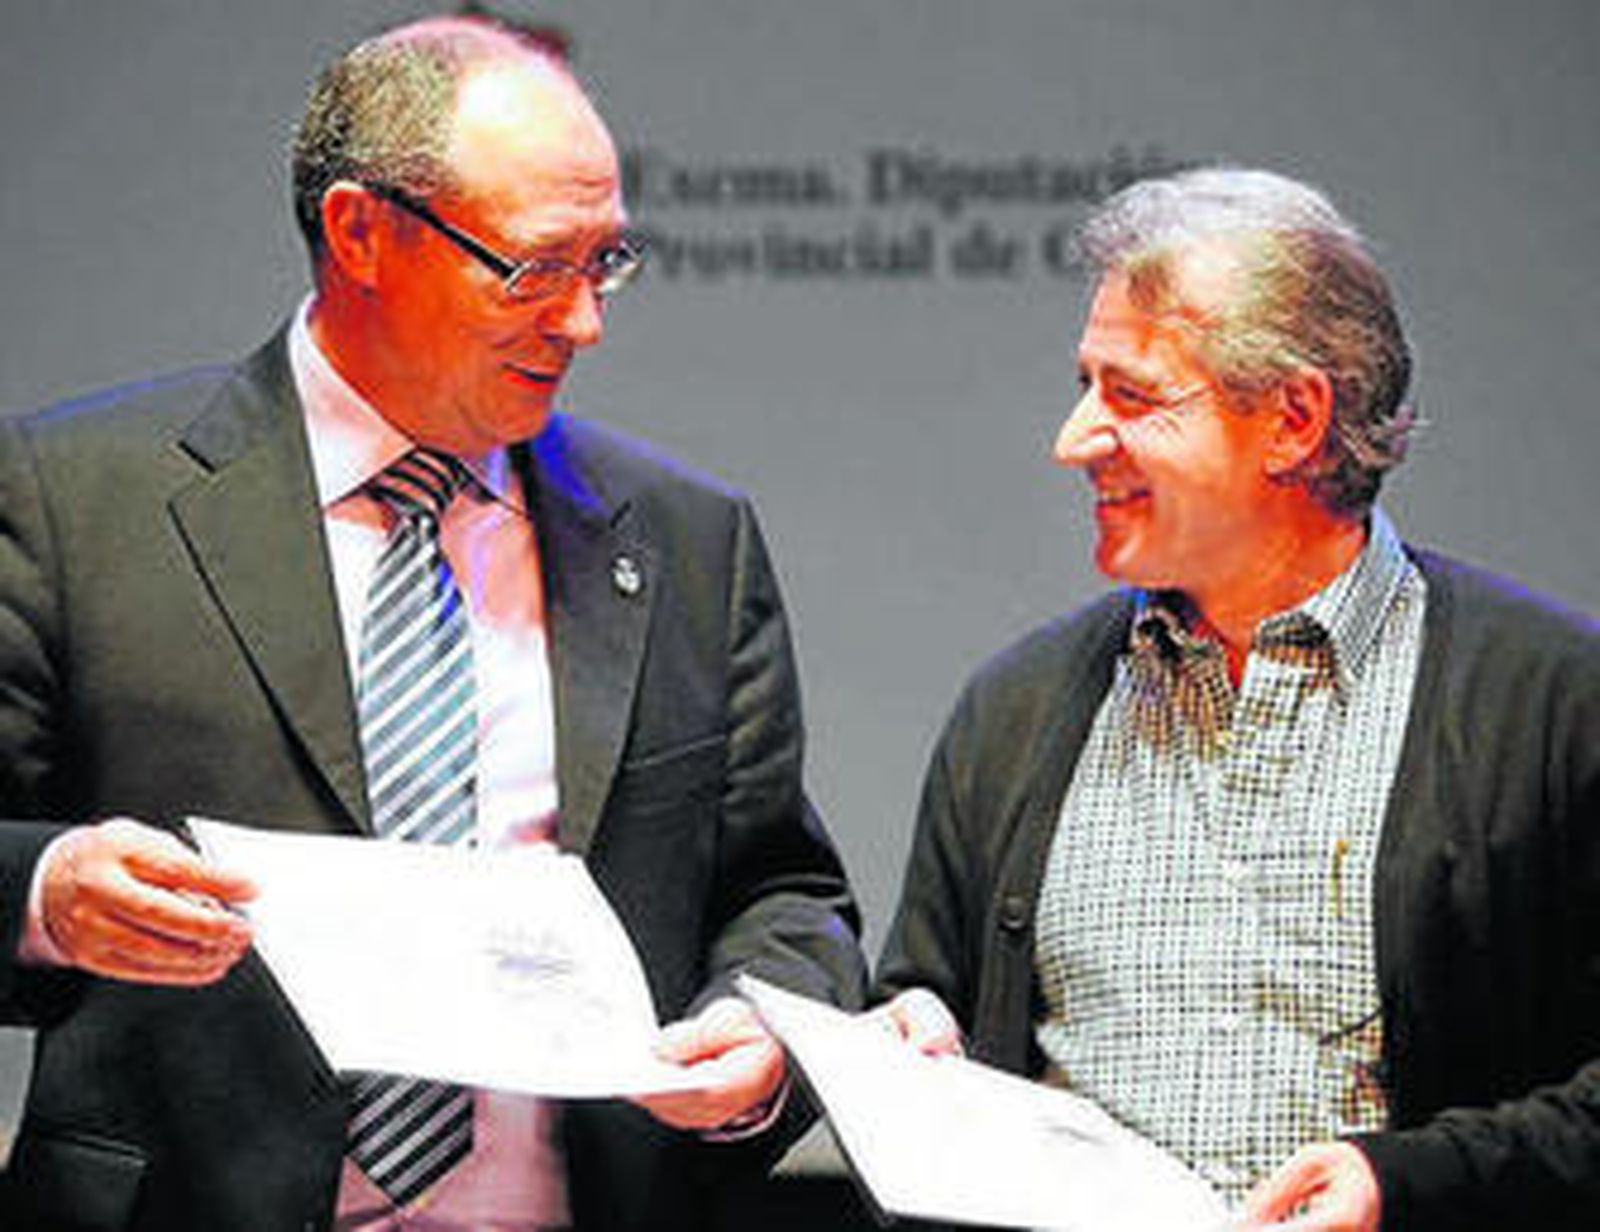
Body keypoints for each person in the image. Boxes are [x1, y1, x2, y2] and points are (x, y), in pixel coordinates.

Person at [0, 15, 864, 1230]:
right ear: (361, 232)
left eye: (606, 262)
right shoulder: (76, 497)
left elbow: (782, 891)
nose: (583, 321)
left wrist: (757, 1031)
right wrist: (47, 892)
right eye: (535, 267)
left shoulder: (682, 539)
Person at [875, 166, 1600, 1231]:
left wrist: (1405, 1183)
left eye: (1132, 395)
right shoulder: (1015, 713)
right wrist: (907, 1047)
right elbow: (920, 1005)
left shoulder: (1553, 706)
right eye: (1085, 385)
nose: (1074, 439)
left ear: (1294, 419)